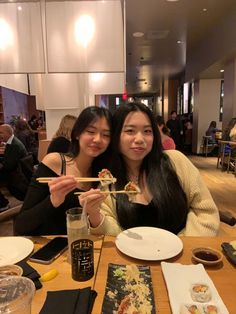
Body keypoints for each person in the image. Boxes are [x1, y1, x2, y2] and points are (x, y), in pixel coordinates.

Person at [79, 102, 220, 237]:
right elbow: (114, 234)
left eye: (147, 131)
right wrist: (94, 214)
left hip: (183, 257)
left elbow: (206, 213)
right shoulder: (108, 183)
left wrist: (180, 246)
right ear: (116, 137)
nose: (140, 139)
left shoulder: (176, 161)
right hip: (133, 259)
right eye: (130, 131)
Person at [14, 106, 112, 236]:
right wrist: (53, 200)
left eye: (106, 135)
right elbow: (21, 224)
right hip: (47, 245)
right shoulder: (55, 162)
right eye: (91, 131)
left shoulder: (103, 175)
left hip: (81, 244)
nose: (98, 139)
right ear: (77, 134)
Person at [0, 124, 29, 201]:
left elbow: (8, 166)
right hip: (17, 172)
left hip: (16, 176)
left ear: (8, 133)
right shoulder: (12, 141)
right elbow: (8, 160)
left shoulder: (14, 145)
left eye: (1, 133)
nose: (0, 135)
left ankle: (3, 203)